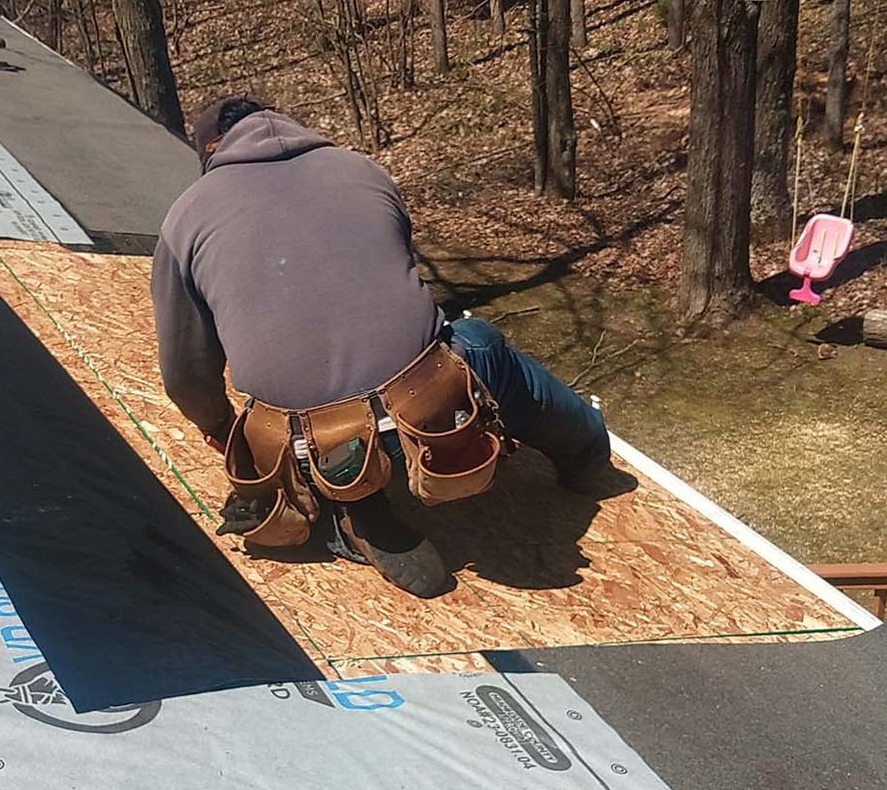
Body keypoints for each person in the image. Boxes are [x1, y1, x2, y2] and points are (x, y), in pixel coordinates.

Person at [150, 96, 625, 597]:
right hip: (429, 410)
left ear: (208, 152)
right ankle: (587, 453)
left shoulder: (186, 219)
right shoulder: (362, 170)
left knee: (289, 412)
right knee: (480, 345)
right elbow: (387, 280)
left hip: (301, 444)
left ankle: (351, 501)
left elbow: (185, 376)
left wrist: (225, 433)